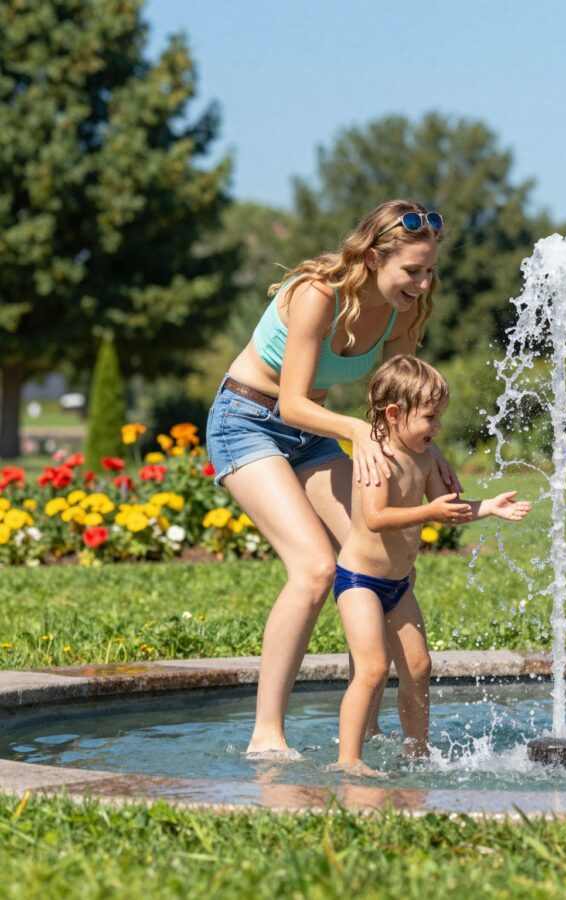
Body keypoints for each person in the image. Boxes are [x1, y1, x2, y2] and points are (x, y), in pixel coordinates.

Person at [205, 200, 460, 757]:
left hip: (311, 433)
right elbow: (292, 403)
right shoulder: (317, 294)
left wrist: (430, 449)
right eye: (412, 271)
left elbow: (401, 400)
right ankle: (267, 734)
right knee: (316, 568)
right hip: (247, 421)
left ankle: (363, 726)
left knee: (374, 554)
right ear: (373, 258)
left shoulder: (404, 310)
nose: (422, 283)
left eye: (429, 270)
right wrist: (355, 431)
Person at [332, 355, 530, 775]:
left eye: (439, 417)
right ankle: (348, 761)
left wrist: (487, 507)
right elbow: (375, 517)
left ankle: (417, 754)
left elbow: (448, 508)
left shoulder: (423, 457)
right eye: (429, 418)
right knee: (372, 668)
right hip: (360, 582)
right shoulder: (376, 457)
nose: (437, 427)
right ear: (394, 414)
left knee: (420, 667)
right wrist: (428, 513)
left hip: (397, 584)